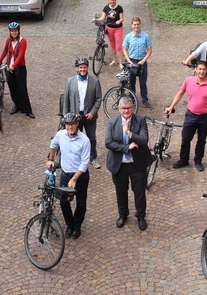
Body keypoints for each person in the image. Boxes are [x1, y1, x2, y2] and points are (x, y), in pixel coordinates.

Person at [105, 96, 151, 231]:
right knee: (121, 192)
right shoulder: (112, 122)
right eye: (124, 109)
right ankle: (123, 215)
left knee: (139, 192)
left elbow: (144, 140)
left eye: (129, 108)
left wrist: (129, 133)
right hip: (120, 166)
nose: (126, 111)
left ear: (133, 108)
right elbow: (108, 142)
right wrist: (126, 148)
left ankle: (141, 216)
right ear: (119, 109)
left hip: (137, 165)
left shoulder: (140, 120)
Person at [166, 60, 207, 172]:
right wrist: (171, 106)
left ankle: (198, 160)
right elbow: (180, 93)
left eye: (204, 69)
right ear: (196, 69)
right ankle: (183, 159)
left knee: (201, 140)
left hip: (205, 116)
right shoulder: (188, 81)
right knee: (185, 138)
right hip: (191, 115)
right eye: (199, 69)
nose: (201, 71)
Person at [46, 112, 90, 239]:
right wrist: (51, 159)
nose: (70, 127)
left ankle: (77, 226)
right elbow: (53, 146)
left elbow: (84, 163)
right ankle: (69, 224)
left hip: (80, 176)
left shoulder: (85, 140)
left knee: (81, 203)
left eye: (73, 124)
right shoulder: (60, 135)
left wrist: (75, 178)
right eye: (68, 124)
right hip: (65, 175)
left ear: (77, 124)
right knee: (63, 203)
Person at [63, 57, 103, 169]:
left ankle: (93, 157)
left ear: (87, 68)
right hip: (75, 117)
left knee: (92, 138)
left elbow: (98, 98)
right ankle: (76, 157)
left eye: (84, 67)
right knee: (74, 137)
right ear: (77, 68)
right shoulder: (70, 82)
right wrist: (65, 116)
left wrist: (93, 112)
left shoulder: (94, 81)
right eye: (80, 67)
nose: (82, 69)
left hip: (89, 116)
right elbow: (66, 99)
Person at [0, 22, 35, 119]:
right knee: (12, 89)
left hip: (19, 68)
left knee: (22, 89)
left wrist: (14, 65)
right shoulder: (8, 40)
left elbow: (21, 55)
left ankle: (28, 110)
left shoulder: (23, 41)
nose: (14, 33)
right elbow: (5, 51)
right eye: (12, 31)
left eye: (15, 31)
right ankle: (17, 105)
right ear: (10, 32)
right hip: (9, 68)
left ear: (18, 31)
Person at [123, 17, 153, 109]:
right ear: (132, 25)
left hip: (142, 62)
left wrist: (143, 60)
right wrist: (128, 61)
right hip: (132, 61)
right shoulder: (128, 36)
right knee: (131, 83)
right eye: (134, 24)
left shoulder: (146, 36)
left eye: (137, 24)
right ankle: (132, 100)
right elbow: (124, 48)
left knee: (143, 83)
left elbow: (150, 50)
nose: (136, 26)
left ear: (140, 24)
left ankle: (145, 100)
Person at [93, 0, 124, 68]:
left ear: (115, 0)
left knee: (119, 46)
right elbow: (103, 18)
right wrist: (96, 19)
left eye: (113, 0)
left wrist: (119, 21)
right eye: (110, 0)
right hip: (109, 28)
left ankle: (121, 62)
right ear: (108, 0)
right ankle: (114, 60)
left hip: (117, 28)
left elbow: (122, 18)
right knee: (112, 45)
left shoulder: (119, 8)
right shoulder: (106, 8)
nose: (112, 1)